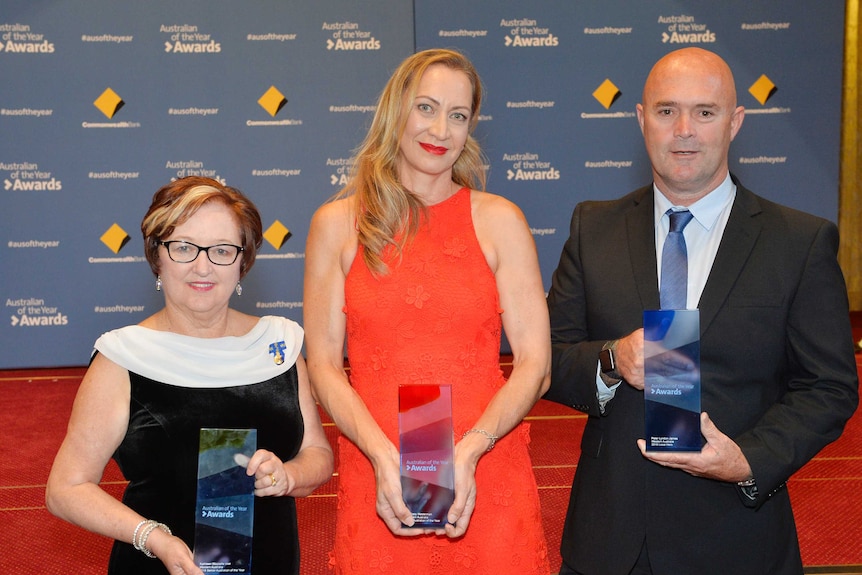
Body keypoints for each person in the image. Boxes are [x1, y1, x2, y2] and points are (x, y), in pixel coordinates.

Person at [545, 47, 859, 575]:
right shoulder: (592, 229)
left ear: (735, 122)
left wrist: (747, 460)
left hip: (737, 537)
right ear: (642, 120)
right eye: (666, 111)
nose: (684, 130)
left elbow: (829, 387)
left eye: (705, 112)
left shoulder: (799, 243)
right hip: (612, 541)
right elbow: (547, 360)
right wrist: (611, 359)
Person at [303, 48, 552, 574]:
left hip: (486, 472)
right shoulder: (337, 223)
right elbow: (323, 364)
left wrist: (471, 450)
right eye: (427, 108)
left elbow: (535, 364)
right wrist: (380, 455)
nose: (441, 129)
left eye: (458, 116)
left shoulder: (500, 220)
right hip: (381, 474)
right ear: (396, 111)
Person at [46, 176, 334, 575]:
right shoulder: (123, 357)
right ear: (157, 257)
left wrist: (288, 475)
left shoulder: (278, 345)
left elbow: (318, 456)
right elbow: (65, 489)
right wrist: (154, 538)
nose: (203, 266)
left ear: (242, 262)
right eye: (183, 247)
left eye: (221, 250)